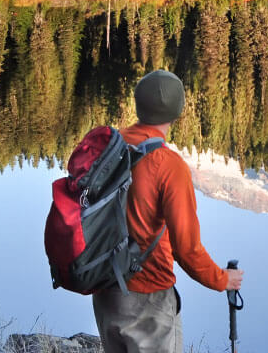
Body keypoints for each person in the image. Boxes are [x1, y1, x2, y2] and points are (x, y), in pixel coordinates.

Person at [92, 69, 244, 352]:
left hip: (104, 291)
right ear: (177, 111)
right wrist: (222, 280)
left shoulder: (108, 147)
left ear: (138, 105)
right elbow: (187, 248)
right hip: (148, 298)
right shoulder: (168, 165)